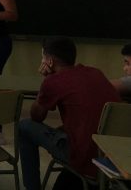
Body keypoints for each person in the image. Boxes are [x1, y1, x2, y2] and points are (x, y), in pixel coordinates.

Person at [18, 37, 120, 190]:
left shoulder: (53, 80)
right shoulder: (96, 73)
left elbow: (36, 116)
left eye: (43, 57)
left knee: (25, 126)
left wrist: (46, 80)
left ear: (50, 61)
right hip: (113, 156)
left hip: (83, 156)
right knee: (62, 129)